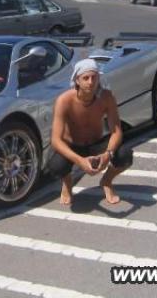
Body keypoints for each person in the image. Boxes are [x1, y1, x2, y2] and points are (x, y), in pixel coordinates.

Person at [48, 58, 133, 205]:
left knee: (125, 154)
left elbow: (116, 131)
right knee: (56, 166)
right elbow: (56, 140)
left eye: (94, 77)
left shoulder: (106, 97)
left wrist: (108, 154)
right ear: (77, 81)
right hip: (73, 145)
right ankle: (67, 182)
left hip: (95, 143)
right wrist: (80, 161)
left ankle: (106, 181)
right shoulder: (64, 101)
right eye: (85, 78)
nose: (90, 82)